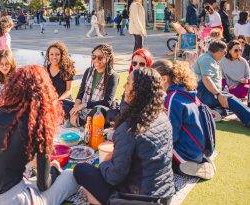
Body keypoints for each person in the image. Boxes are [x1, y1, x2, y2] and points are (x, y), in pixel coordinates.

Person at [0, 65, 79, 204]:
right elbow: (44, 185)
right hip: (12, 200)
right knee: (71, 175)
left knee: (28, 181)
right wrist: (54, 169)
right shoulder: (40, 123)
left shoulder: (1, 112)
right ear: (44, 91)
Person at [73, 68, 175, 205]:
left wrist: (104, 164)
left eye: (127, 83)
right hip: (165, 195)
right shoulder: (163, 117)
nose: (124, 87)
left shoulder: (129, 127)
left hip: (137, 199)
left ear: (136, 91)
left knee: (81, 169)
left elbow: (113, 177)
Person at [153, 60, 216, 180]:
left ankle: (187, 165)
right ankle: (199, 161)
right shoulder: (185, 91)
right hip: (197, 149)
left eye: (153, 79)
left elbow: (170, 134)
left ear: (164, 79)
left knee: (148, 156)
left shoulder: (172, 97)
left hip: (184, 153)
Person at [193, 41, 250, 127]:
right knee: (229, 99)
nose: (225, 55)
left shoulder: (209, 58)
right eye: (225, 52)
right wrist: (219, 94)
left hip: (207, 92)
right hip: (204, 93)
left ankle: (216, 111)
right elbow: (206, 79)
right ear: (219, 52)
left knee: (230, 99)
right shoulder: (207, 60)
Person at [69, 44, 119, 127]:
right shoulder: (88, 71)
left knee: (96, 111)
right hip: (84, 108)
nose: (96, 60)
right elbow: (81, 92)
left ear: (108, 58)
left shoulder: (113, 76)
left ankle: (84, 123)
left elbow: (107, 102)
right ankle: (82, 122)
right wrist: (75, 109)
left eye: (100, 58)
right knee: (62, 103)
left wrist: (83, 105)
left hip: (100, 110)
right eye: (93, 57)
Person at [44, 42, 76, 116]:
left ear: (62, 55)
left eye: (57, 54)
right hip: (50, 100)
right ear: (48, 56)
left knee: (62, 108)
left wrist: (58, 100)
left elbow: (69, 90)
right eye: (51, 54)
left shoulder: (67, 69)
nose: (54, 57)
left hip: (63, 100)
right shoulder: (45, 69)